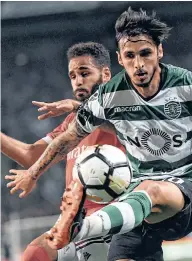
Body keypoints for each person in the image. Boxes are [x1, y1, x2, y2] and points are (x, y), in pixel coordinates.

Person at [6, 7, 192, 261]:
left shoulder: (190, 86)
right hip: (133, 203)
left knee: (152, 190)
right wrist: (33, 173)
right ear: (120, 59)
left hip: (186, 192)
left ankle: (80, 228)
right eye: (130, 56)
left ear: (160, 51)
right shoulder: (109, 96)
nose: (139, 64)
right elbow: (68, 138)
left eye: (145, 53)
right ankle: (80, 228)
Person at [3, 42, 124, 261]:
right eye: (72, 75)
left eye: (84, 73)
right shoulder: (72, 122)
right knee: (34, 254)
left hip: (118, 220)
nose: (78, 80)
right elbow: (32, 155)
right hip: (75, 222)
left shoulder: (123, 105)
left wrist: (77, 107)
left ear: (105, 73)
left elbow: (118, 124)